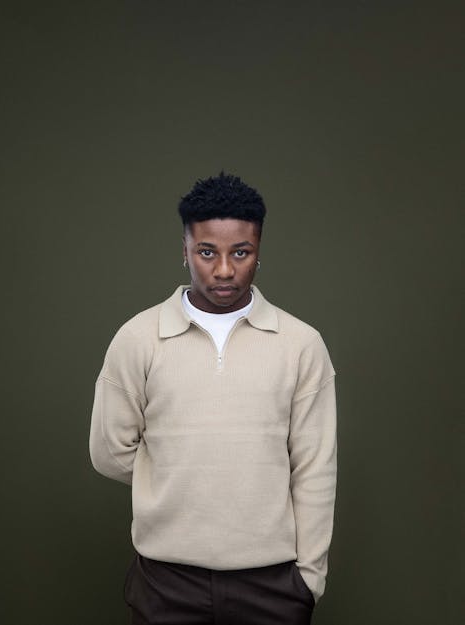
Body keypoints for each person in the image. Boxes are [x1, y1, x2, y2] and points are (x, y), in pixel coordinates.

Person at [89, 172, 337, 625]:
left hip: (273, 583)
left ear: (258, 253)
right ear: (184, 251)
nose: (224, 269)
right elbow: (108, 452)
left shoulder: (301, 344)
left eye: (240, 252)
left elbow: (315, 467)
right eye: (207, 252)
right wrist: (184, 472)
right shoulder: (138, 338)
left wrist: (308, 579)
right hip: (166, 582)